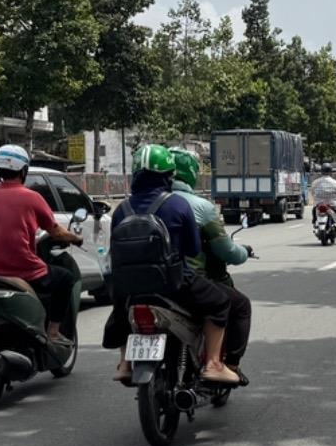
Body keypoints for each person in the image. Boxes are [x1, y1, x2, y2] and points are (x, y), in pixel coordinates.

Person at [103, 145, 241, 386]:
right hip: (174, 285)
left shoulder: (122, 210)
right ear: (168, 175)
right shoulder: (177, 205)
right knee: (220, 303)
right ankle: (214, 364)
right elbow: (193, 249)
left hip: (130, 287)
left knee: (121, 309)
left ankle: (124, 364)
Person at [0, 144, 83, 341]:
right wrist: (76, 238)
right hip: (26, 271)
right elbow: (56, 232)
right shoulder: (32, 197)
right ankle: (53, 332)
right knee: (65, 278)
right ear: (23, 170)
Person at [171, 148, 254, 377]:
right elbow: (226, 250)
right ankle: (227, 365)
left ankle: (125, 364)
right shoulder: (198, 206)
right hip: (188, 280)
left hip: (144, 282)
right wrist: (244, 253)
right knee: (240, 305)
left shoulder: (139, 204)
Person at [311, 165, 336, 234]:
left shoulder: (315, 182)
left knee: (314, 209)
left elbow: (312, 193)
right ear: (331, 172)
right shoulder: (335, 183)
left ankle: (314, 222)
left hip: (319, 203)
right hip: (333, 203)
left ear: (321, 171)